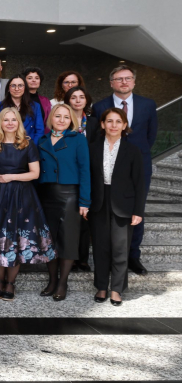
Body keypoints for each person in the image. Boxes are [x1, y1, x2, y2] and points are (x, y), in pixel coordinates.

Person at [0, 108, 55, 301]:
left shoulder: (27, 144)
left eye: (13, 120)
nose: (10, 123)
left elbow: (35, 173)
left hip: (20, 196)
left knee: (15, 237)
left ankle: (10, 283)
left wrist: (11, 177)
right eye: (6, 120)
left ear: (18, 123)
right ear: (0, 122)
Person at [92, 65, 157, 276]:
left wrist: (134, 156)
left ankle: (133, 256)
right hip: (108, 165)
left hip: (139, 164)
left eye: (128, 78)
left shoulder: (148, 105)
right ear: (111, 83)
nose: (124, 82)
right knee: (109, 210)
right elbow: (96, 136)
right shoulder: (100, 106)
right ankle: (111, 255)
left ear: (134, 81)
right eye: (119, 79)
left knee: (137, 208)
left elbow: (151, 136)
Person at [89, 108, 146, 306]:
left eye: (118, 121)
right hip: (98, 203)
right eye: (109, 121)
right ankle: (101, 287)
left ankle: (117, 289)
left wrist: (138, 211)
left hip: (124, 205)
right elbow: (87, 178)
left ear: (124, 125)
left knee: (120, 249)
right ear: (102, 124)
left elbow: (140, 183)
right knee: (100, 248)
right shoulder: (92, 148)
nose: (113, 125)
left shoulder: (133, 150)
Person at [37, 103, 91, 301]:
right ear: (51, 118)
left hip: (70, 195)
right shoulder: (42, 140)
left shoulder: (78, 139)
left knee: (67, 241)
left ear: (71, 121)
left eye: (66, 117)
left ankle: (62, 283)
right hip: (46, 195)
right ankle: (52, 281)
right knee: (49, 241)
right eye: (58, 116)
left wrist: (85, 201)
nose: (61, 120)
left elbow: (85, 171)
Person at [65, 85, 99, 272]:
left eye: (81, 97)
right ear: (68, 101)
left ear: (87, 100)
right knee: (69, 219)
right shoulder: (64, 120)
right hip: (69, 173)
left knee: (85, 217)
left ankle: (83, 259)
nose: (78, 101)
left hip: (89, 172)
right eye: (73, 97)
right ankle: (69, 258)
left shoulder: (94, 122)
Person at [0, 75, 45, 144]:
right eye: (13, 86)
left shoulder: (35, 106)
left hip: (29, 145)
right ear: (8, 88)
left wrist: (31, 147)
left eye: (20, 85)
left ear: (25, 88)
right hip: (6, 146)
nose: (17, 89)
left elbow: (40, 131)